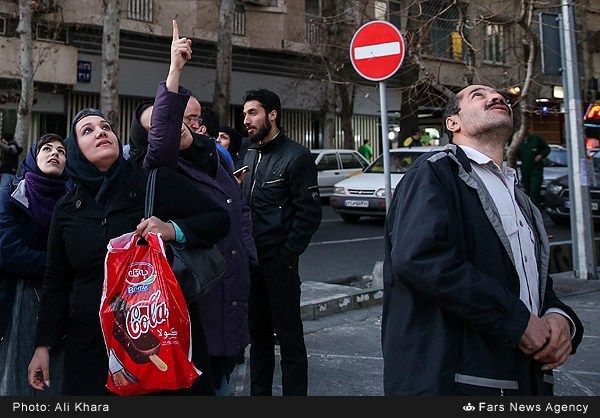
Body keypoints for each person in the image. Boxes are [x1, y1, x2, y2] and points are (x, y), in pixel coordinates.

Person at [382, 84, 583, 395]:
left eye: (500, 96)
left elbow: (527, 278)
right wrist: (517, 322)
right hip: (452, 383)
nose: (496, 97)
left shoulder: (516, 192)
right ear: (453, 122)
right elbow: (419, 259)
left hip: (521, 380)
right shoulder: (434, 173)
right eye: (478, 95)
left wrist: (560, 319)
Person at [27, 108, 230, 395]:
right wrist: (42, 345)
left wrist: (173, 230)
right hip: (92, 350)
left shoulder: (154, 183)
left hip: (158, 338)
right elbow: (56, 281)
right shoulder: (67, 208)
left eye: (106, 127)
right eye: (88, 131)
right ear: (76, 151)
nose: (100, 132)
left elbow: (219, 219)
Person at [142, 20, 256, 396]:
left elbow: (240, 214)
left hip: (233, 296)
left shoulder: (217, 160)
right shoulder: (164, 166)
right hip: (199, 302)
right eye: (177, 117)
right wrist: (175, 70)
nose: (189, 125)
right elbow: (162, 137)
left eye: (193, 117)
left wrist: (249, 257)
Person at [241, 88, 322, 396]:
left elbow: (308, 216)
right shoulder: (249, 155)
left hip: (280, 265)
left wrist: (286, 256)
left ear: (272, 115)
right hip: (252, 264)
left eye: (253, 113)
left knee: (289, 339)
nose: (247, 119)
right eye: (246, 113)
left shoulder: (296, 156)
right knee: (258, 339)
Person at [0, 134, 68, 395]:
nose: (55, 154)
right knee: (17, 377)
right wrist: (56, 267)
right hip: (18, 296)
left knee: (54, 379)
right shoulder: (12, 193)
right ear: (32, 157)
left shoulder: (74, 199)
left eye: (61, 151)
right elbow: (7, 251)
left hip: (60, 300)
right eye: (47, 149)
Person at [518, 132, 551, 208]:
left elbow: (547, 149)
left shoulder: (535, 139)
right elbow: (513, 153)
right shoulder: (518, 141)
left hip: (536, 169)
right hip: (525, 169)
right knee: (526, 190)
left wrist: (541, 156)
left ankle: (535, 208)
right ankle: (527, 209)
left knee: (534, 189)